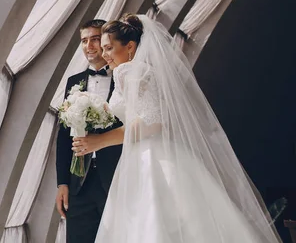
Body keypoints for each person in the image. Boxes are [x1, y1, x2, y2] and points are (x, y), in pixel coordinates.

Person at [71, 13, 281, 242]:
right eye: (103, 49)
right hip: (149, 155)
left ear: (130, 47)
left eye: (109, 48)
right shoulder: (139, 70)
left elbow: (154, 121)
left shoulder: (129, 71)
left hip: (150, 159)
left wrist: (102, 141)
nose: (104, 55)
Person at [55, 19, 122, 243]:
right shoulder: (73, 82)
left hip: (116, 177)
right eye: (84, 41)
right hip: (79, 182)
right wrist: (62, 182)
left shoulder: (124, 79)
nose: (89, 46)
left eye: (95, 39)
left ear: (106, 42)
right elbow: (64, 136)